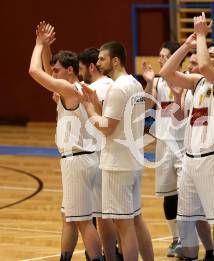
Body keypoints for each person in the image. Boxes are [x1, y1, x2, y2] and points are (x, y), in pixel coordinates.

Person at [159, 12, 214, 261]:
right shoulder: (197, 83)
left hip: (213, 159)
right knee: (185, 221)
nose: (205, 56)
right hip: (190, 159)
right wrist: (186, 45)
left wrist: (203, 35)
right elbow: (166, 72)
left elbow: (203, 65)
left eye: (212, 54)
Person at [28, 21, 103, 261]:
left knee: (83, 221)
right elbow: (48, 70)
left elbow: (34, 72)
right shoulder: (76, 88)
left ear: (69, 71)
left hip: (78, 161)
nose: (53, 74)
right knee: (70, 217)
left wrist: (39, 44)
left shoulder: (69, 89)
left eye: (57, 70)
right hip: (83, 160)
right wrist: (48, 49)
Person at [79, 41, 154, 261]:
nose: (98, 62)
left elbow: (107, 128)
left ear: (115, 60)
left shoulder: (118, 88)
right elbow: (119, 120)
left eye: (102, 59)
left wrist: (89, 108)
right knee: (136, 218)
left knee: (123, 224)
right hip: (133, 161)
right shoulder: (134, 85)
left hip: (118, 164)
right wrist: (97, 105)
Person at [142, 41, 185, 258]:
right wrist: (149, 83)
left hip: (184, 144)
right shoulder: (158, 82)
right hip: (164, 144)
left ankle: (189, 238)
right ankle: (175, 238)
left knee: (186, 193)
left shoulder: (187, 79)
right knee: (169, 194)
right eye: (159, 55)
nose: (160, 59)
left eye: (164, 55)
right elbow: (146, 106)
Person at [78, 47, 121, 261]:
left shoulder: (90, 89)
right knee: (120, 215)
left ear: (91, 67)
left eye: (81, 69)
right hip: (117, 152)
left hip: (98, 154)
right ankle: (118, 252)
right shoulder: (116, 85)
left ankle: (107, 255)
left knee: (101, 215)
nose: (79, 74)